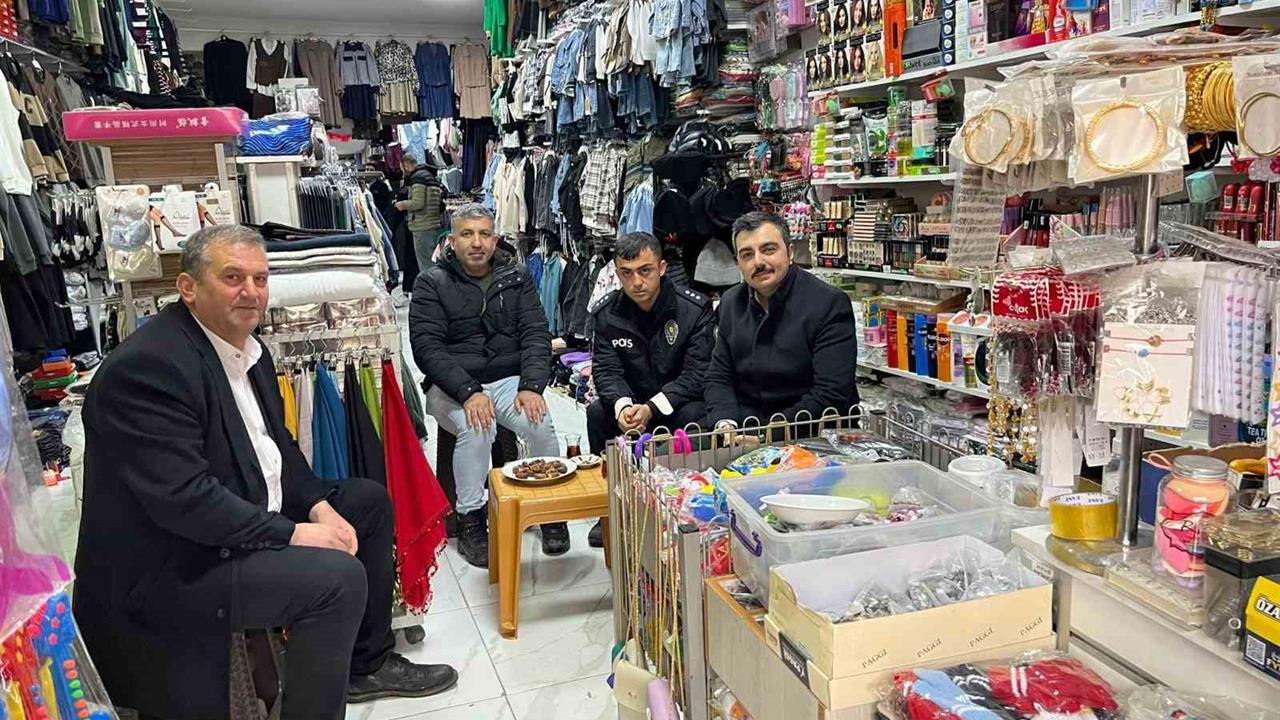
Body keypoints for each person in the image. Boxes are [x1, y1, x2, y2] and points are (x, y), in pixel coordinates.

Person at [74, 226, 456, 720]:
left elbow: (280, 449)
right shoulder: (149, 368)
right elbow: (187, 501)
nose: (251, 292)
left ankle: (366, 664)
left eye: (260, 278)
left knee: (367, 504)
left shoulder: (247, 350)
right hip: (172, 565)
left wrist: (318, 506)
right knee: (336, 580)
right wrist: (293, 533)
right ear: (189, 287)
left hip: (231, 517)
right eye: (233, 277)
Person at [409, 204, 568, 566]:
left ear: (495, 240)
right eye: (467, 234)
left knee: (540, 424)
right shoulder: (432, 282)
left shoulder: (517, 276)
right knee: (477, 427)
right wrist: (468, 392)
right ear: (452, 241)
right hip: (452, 387)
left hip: (508, 381)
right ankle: (470, 519)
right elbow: (427, 348)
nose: (476, 243)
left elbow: (535, 332)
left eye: (484, 234)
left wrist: (531, 385)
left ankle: (550, 509)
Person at [585, 232, 714, 547]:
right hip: (631, 405)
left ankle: (685, 503)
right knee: (598, 412)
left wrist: (652, 408)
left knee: (697, 415)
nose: (637, 282)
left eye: (645, 271)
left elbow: (697, 373)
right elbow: (606, 370)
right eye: (627, 273)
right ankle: (611, 505)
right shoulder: (606, 314)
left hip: (676, 404)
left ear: (662, 268)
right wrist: (623, 406)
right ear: (617, 274)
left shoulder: (693, 309)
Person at [705, 211, 860, 428]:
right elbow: (719, 376)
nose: (758, 262)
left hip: (811, 432)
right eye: (747, 254)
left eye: (768, 250)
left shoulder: (828, 303)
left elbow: (830, 394)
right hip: (744, 427)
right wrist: (725, 422)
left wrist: (766, 435)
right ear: (738, 263)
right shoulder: (731, 302)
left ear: (790, 252)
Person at [396, 154, 444, 275]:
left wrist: (401, 204)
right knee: (432, 260)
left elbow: (417, 203)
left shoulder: (418, 178)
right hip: (432, 223)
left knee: (425, 264)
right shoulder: (430, 176)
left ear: (406, 165)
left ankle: (430, 286)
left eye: (402, 167)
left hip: (422, 225)